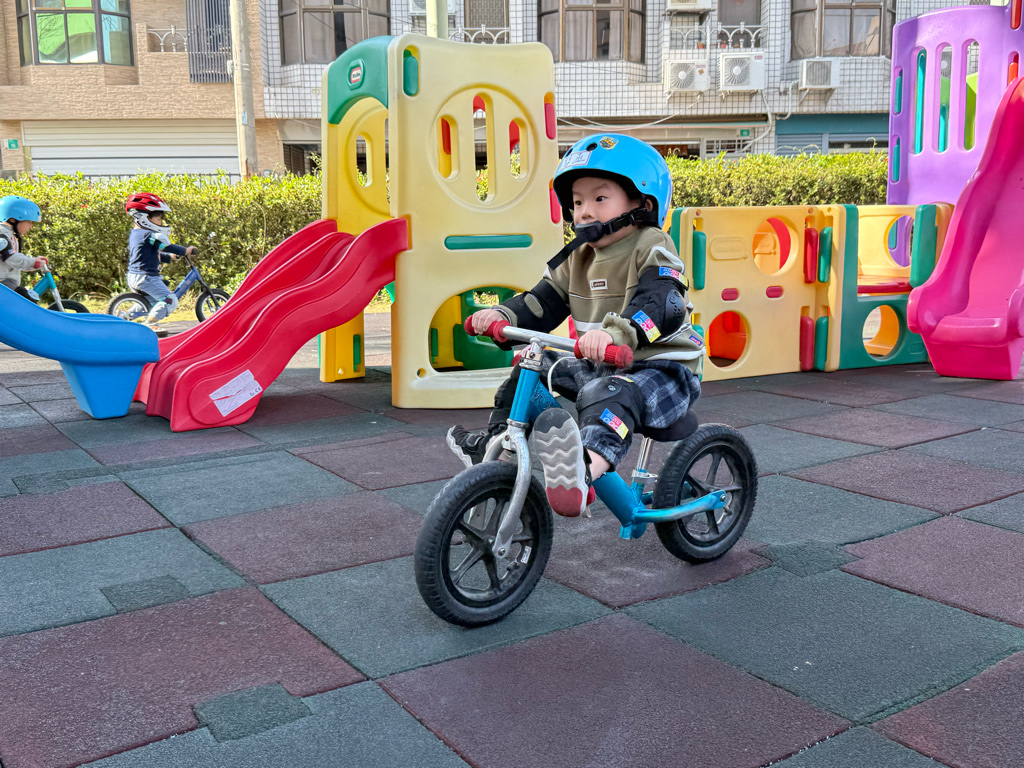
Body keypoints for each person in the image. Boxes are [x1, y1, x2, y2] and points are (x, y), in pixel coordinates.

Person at [447, 133, 705, 518]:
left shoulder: (652, 243)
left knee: (611, 392)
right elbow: (542, 302)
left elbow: (663, 303)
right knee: (532, 366)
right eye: (578, 202)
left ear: (642, 204)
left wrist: (616, 334)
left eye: (600, 199)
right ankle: (496, 446)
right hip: (600, 362)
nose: (584, 212)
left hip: (662, 369)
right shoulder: (577, 256)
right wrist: (504, 316)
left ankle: (582, 472)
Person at [124, 192, 194, 334]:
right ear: (145, 217)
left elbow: (147, 255)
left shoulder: (136, 234)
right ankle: (150, 323)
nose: (161, 222)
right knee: (170, 300)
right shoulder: (149, 234)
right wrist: (186, 250)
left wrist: (169, 258)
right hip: (146, 277)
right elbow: (167, 246)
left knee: (151, 302)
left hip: (136, 276)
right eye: (158, 218)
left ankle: (123, 318)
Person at [0, 195, 47, 298]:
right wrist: (33, 262)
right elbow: (11, 258)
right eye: (29, 222)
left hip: (7, 284)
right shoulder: (2, 235)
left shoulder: (10, 234)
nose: (31, 226)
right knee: (26, 300)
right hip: (3, 284)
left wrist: (34, 261)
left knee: (26, 299)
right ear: (13, 220)